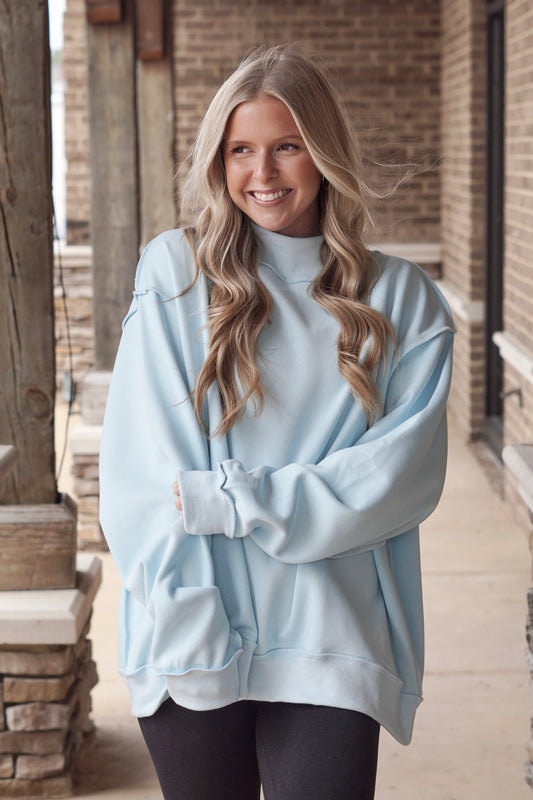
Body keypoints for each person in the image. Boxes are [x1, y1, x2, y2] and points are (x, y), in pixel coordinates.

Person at [99, 44, 454, 800]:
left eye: (286, 147)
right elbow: (145, 473)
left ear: (322, 153)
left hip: (333, 641)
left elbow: (394, 482)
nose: (261, 174)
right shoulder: (176, 274)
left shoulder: (403, 303)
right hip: (189, 629)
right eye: (240, 151)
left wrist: (233, 502)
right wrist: (188, 625)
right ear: (217, 161)